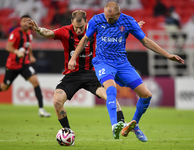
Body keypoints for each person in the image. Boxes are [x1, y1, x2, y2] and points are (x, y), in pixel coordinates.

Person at [68, 2, 185, 141]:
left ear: (118, 14)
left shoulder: (128, 21)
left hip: (122, 64)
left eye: (111, 18)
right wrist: (73, 58)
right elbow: (85, 39)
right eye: (106, 16)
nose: (107, 19)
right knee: (111, 90)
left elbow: (146, 41)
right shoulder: (97, 20)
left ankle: (134, 125)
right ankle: (115, 125)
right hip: (103, 62)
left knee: (146, 95)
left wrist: (167, 55)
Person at [28, 10, 145, 141]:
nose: (78, 30)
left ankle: (121, 122)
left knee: (110, 94)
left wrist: (131, 28)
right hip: (72, 75)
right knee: (56, 101)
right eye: (76, 27)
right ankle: (67, 130)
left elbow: (115, 32)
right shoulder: (65, 31)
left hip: (92, 73)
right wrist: (38, 29)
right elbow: (49, 32)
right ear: (71, 22)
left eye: (81, 27)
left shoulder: (94, 29)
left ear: (86, 23)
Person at [0, 15, 51, 117]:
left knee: (36, 82)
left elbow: (28, 46)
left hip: (25, 64)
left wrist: (31, 56)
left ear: (30, 23)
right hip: (12, 66)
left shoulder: (30, 33)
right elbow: (8, 47)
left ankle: (41, 110)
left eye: (27, 21)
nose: (25, 23)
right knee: (4, 87)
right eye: (23, 21)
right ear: (20, 23)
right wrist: (16, 52)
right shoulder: (15, 33)